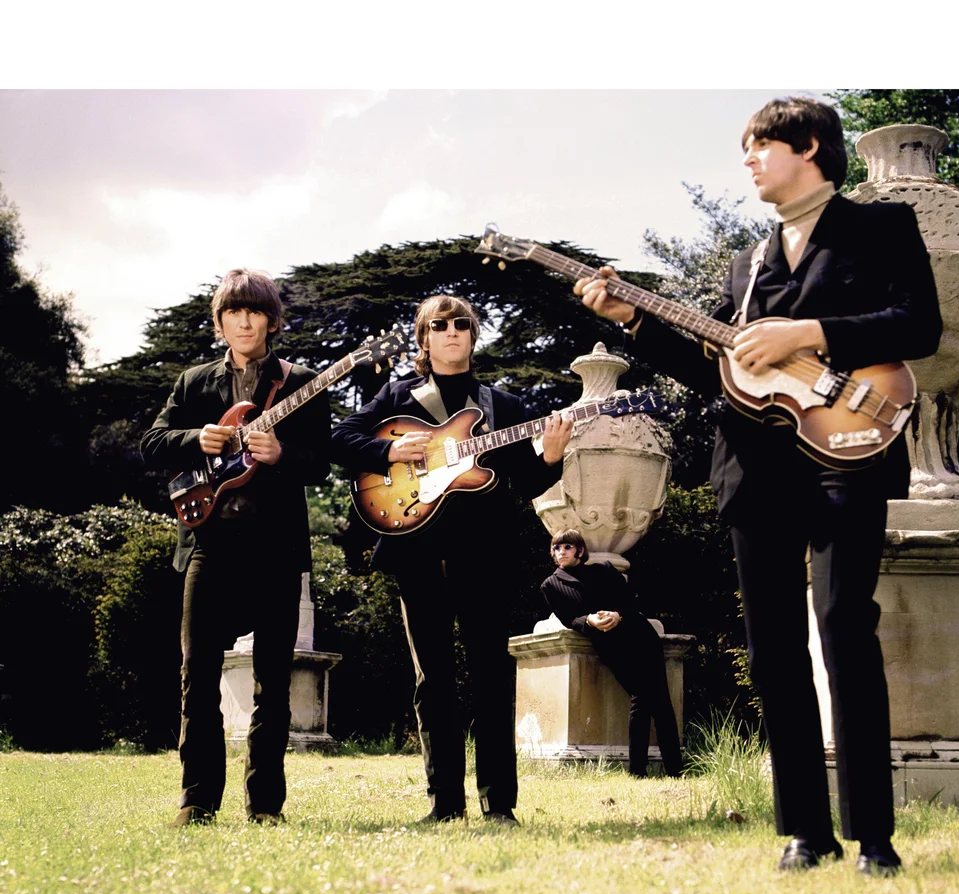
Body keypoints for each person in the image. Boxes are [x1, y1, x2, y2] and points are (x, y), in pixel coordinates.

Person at [573, 97, 942, 875]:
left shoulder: (880, 228)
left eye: (757, 146)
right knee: (774, 655)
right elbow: (709, 372)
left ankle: (875, 838)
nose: (746, 161)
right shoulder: (747, 264)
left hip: (850, 453)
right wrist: (632, 321)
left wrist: (813, 333)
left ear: (807, 145)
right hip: (754, 470)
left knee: (845, 628)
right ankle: (807, 832)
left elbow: (919, 326)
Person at [329, 295, 573, 826]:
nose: (452, 331)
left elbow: (526, 481)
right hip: (414, 551)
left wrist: (552, 454)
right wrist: (389, 452)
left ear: (473, 335)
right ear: (424, 339)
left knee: (492, 677)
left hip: (484, 554)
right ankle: (444, 803)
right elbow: (340, 437)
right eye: (439, 325)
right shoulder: (396, 395)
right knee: (431, 680)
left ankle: (499, 805)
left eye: (462, 323)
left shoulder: (501, 405)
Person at [141, 268, 330, 827]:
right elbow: (152, 443)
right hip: (209, 544)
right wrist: (193, 438)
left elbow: (322, 460)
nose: (243, 321)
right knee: (197, 673)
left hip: (276, 548)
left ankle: (265, 805)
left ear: (271, 320)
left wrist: (282, 455)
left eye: (254, 312)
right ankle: (196, 799)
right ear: (220, 321)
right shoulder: (193, 382)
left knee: (274, 681)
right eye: (233, 312)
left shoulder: (303, 381)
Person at [540, 529, 682, 778]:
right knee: (642, 696)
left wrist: (618, 614)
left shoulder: (603, 569)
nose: (561, 552)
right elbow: (569, 618)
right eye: (556, 548)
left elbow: (631, 601)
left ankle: (672, 770)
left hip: (641, 636)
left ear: (580, 551)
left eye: (567, 547)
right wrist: (590, 621)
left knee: (660, 701)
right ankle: (639, 770)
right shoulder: (551, 585)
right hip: (611, 645)